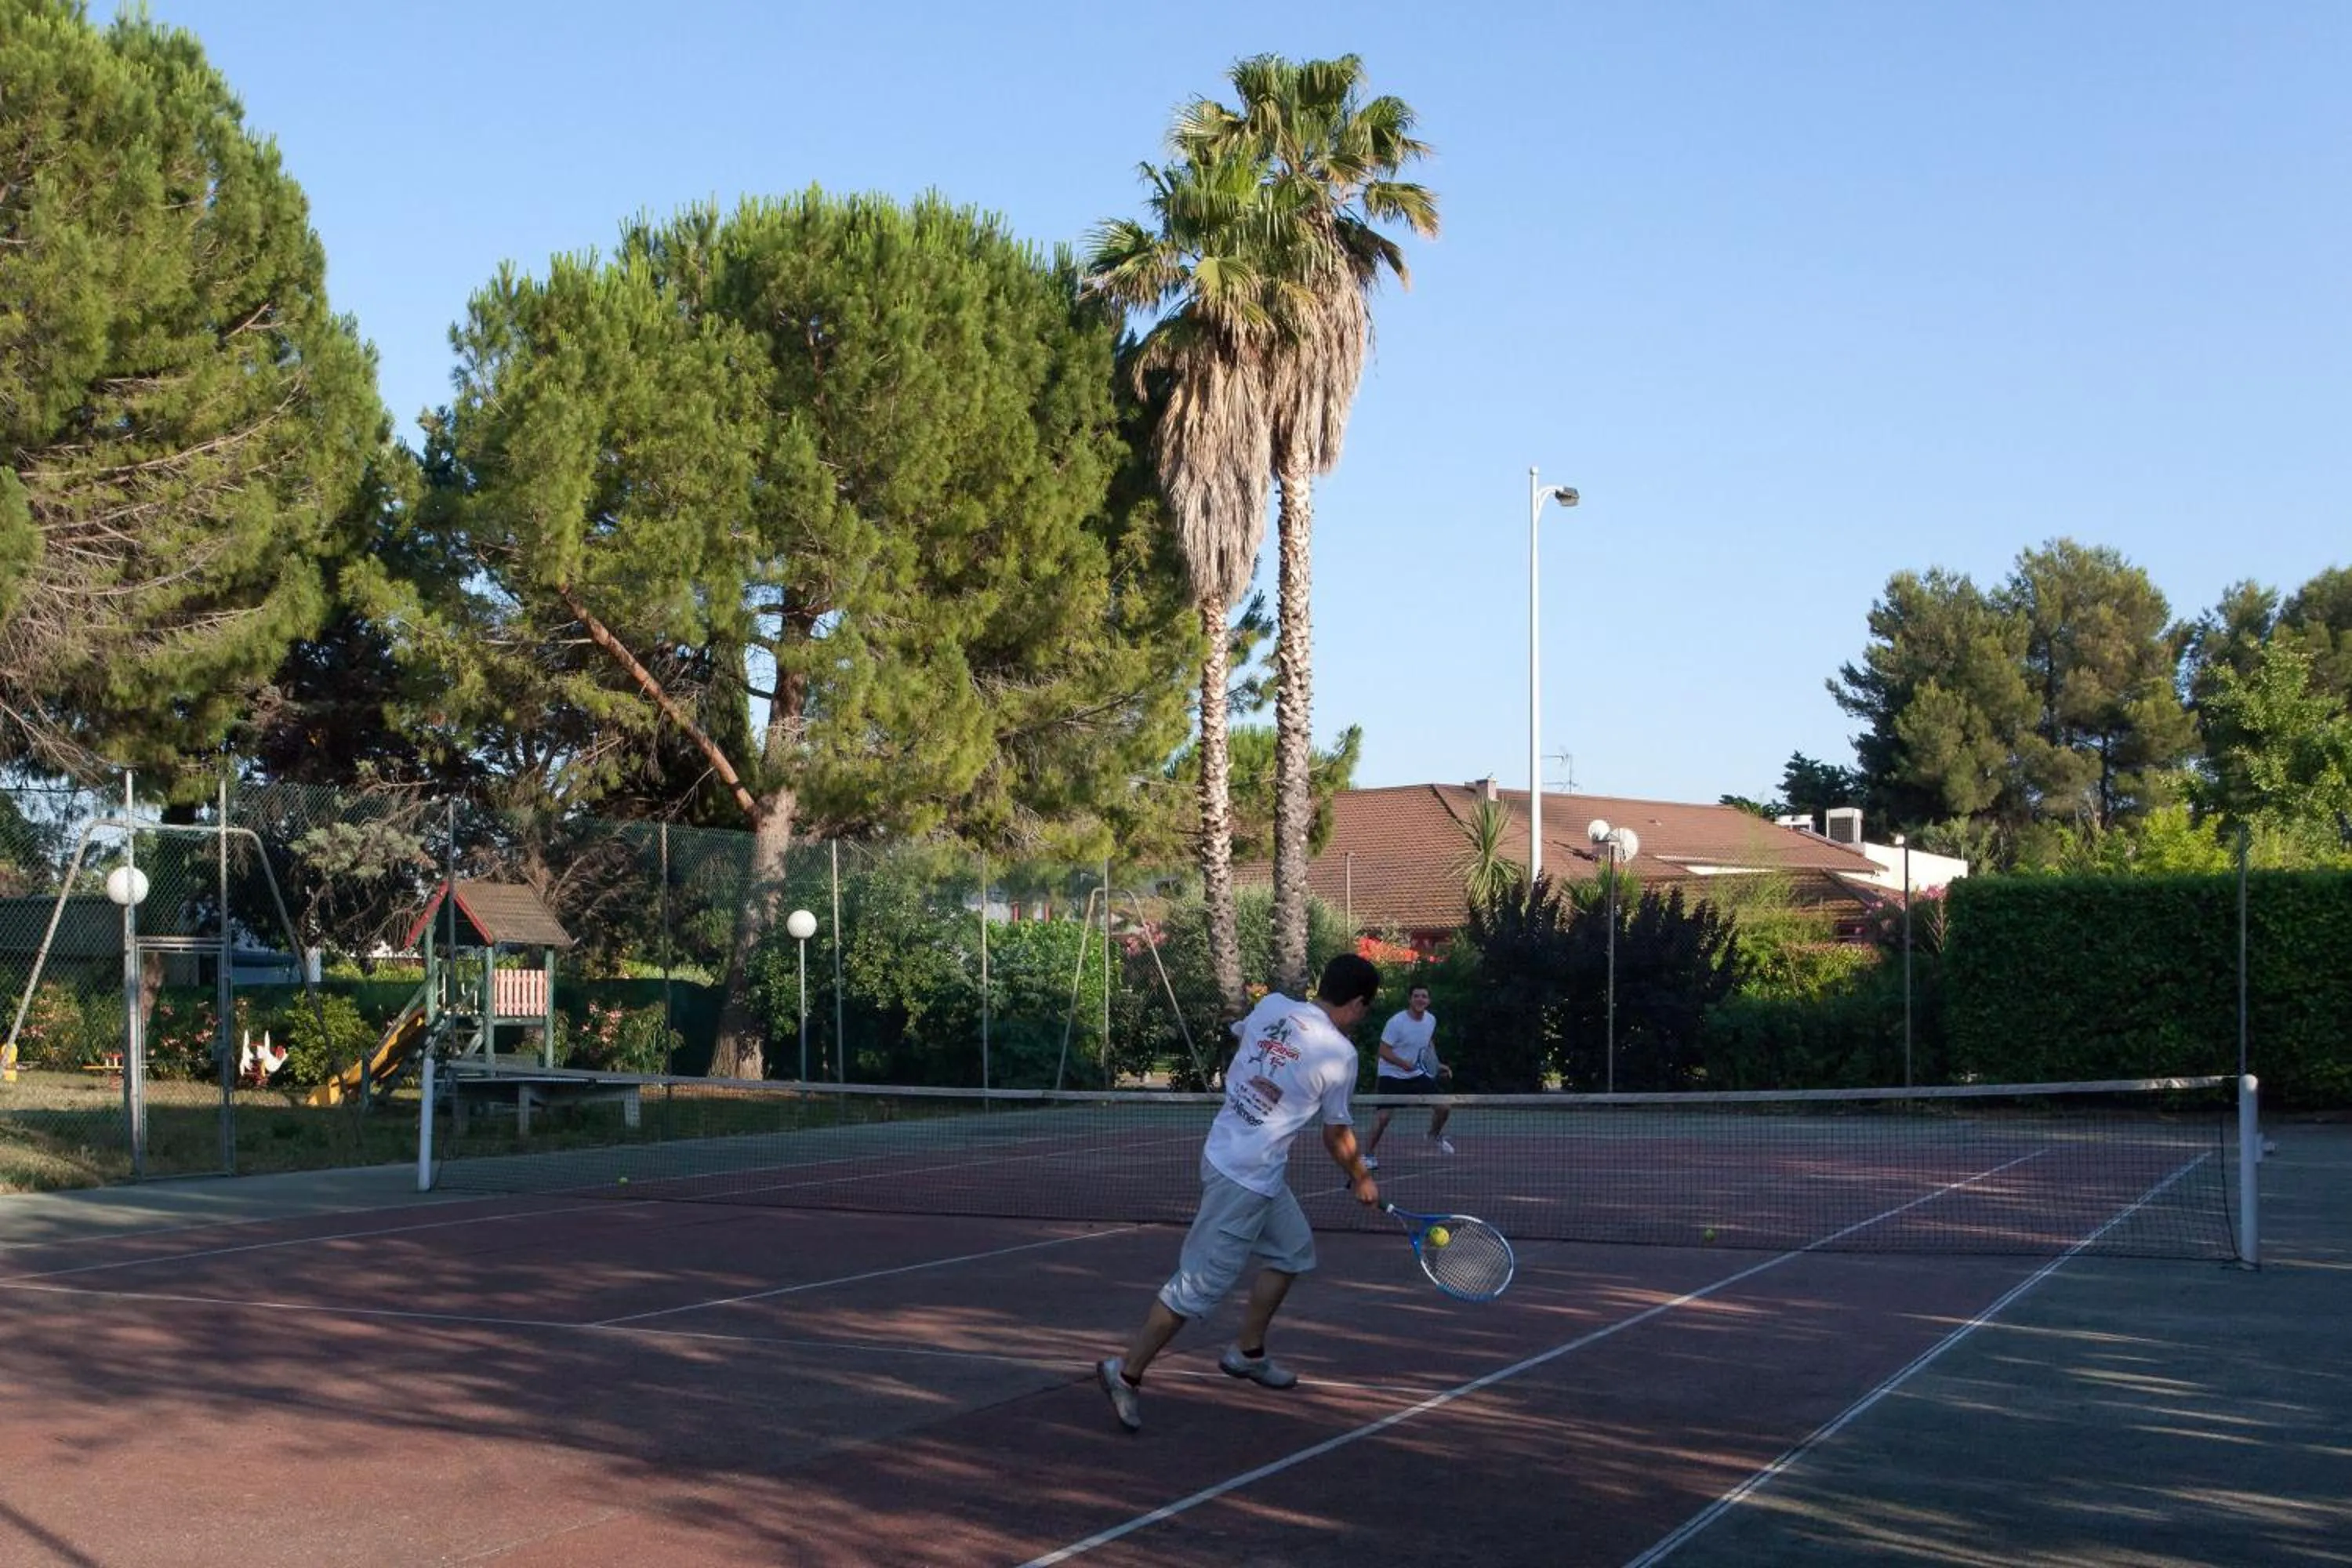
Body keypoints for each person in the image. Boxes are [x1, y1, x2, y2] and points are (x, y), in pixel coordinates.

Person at [1095, 953, 1382, 1433]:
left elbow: (1243, 1036)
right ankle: (1124, 1373)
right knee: (1196, 1290)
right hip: (1243, 1179)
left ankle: (1247, 1352)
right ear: (1356, 1004)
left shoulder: (1271, 1006)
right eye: (1366, 1010)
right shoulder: (1340, 1055)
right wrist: (1362, 1177)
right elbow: (1336, 1136)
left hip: (1237, 1159)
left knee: (1293, 1253)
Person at [1361, 984, 1452, 1169]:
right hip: (1391, 1074)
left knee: (1444, 1107)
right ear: (1410, 1000)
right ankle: (1368, 1156)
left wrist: (1436, 1064)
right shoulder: (1396, 1022)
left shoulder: (1431, 1020)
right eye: (1416, 996)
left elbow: (1428, 1043)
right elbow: (1383, 1051)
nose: (1420, 999)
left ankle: (1433, 1135)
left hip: (1415, 1072)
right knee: (1384, 1118)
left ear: (1429, 1001)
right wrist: (1404, 1064)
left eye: (1424, 996)